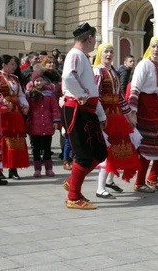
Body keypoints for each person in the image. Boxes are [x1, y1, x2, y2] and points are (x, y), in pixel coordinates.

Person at [61, 23, 108, 210]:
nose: (95, 42)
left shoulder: (82, 57)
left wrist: (101, 114)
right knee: (83, 155)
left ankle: (73, 181)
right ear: (89, 38)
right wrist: (81, 94)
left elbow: (93, 89)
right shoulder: (74, 55)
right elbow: (68, 77)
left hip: (88, 111)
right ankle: (74, 196)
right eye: (94, 38)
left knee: (100, 152)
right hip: (76, 110)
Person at [128, 37, 158, 193]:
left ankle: (153, 178)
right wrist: (133, 112)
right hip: (144, 106)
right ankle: (139, 182)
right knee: (147, 146)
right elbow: (135, 88)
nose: (156, 49)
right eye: (154, 46)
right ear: (150, 48)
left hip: (156, 106)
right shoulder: (143, 64)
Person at [93, 43, 140, 199]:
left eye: (111, 52)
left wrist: (129, 115)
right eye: (106, 51)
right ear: (100, 53)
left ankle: (110, 181)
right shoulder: (98, 71)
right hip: (105, 117)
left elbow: (119, 97)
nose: (109, 54)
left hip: (117, 116)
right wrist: (100, 117)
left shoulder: (113, 71)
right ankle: (100, 188)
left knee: (120, 149)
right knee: (109, 152)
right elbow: (96, 97)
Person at [0, 55, 29, 180]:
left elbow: (20, 94)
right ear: (3, 65)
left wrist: (25, 105)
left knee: (16, 140)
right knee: (3, 140)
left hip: (15, 112)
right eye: (11, 64)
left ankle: (13, 169)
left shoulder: (15, 78)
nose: (14, 66)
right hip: (3, 113)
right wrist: (3, 102)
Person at [26, 70, 60, 177]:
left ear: (44, 81)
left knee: (47, 148)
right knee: (36, 149)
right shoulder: (30, 93)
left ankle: (49, 168)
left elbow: (54, 108)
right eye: (37, 81)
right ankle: (37, 169)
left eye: (41, 80)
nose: (39, 83)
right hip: (34, 126)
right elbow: (27, 108)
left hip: (47, 125)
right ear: (33, 82)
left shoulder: (49, 93)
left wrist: (55, 121)